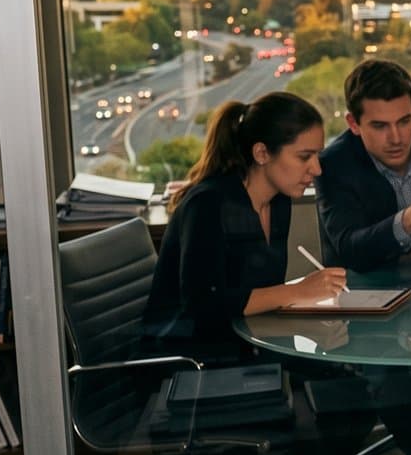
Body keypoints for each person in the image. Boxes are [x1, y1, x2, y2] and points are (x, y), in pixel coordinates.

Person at [144, 92, 347, 359]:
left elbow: (260, 297)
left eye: (317, 156)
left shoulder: (280, 202)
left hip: (247, 347)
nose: (317, 169)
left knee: (342, 372)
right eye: (304, 157)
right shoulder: (207, 204)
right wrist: (299, 291)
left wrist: (307, 325)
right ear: (262, 153)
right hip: (191, 362)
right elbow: (203, 306)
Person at [315, 59, 411, 273]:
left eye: (404, 121)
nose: (396, 138)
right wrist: (408, 219)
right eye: (380, 126)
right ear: (354, 123)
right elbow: (349, 248)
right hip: (372, 294)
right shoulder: (334, 164)